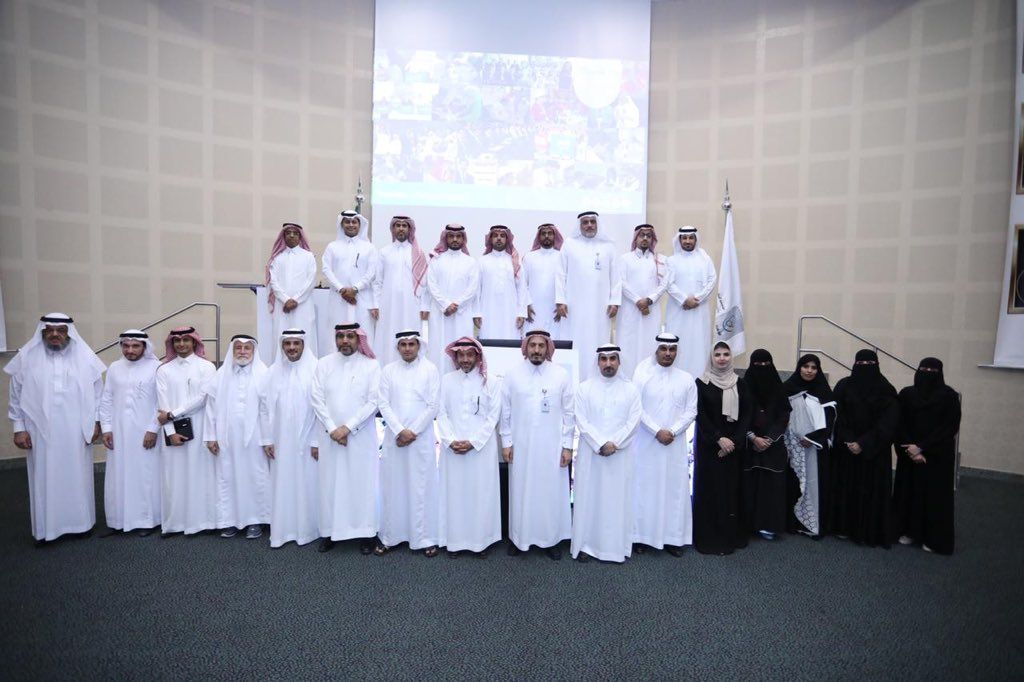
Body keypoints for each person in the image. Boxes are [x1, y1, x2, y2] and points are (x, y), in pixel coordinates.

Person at [6, 313, 105, 545]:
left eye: (60, 330)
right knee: (45, 476)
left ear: (69, 333)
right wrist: (19, 428)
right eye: (49, 330)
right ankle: (47, 529)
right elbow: (16, 396)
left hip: (76, 430)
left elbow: (98, 395)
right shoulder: (26, 358)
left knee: (78, 475)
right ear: (42, 332)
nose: (54, 334)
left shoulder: (85, 357)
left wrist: (96, 423)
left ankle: (81, 525)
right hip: (40, 430)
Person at [499, 330, 574, 560]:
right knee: (520, 492)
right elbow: (505, 411)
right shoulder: (512, 375)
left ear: (548, 348)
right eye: (533, 345)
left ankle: (550, 540)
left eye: (542, 346)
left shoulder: (561, 375)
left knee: (549, 493)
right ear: (526, 348)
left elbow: (569, 413)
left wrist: (567, 446)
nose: (537, 350)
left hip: (551, 447)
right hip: (520, 446)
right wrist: (506, 442)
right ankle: (518, 538)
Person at [309, 323, 381, 554]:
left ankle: (366, 533)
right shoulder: (323, 364)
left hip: (360, 437)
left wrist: (348, 428)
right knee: (330, 484)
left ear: (358, 339)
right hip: (330, 437)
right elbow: (316, 398)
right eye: (340, 336)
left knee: (362, 484)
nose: (345, 341)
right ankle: (329, 531)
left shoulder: (371, 365)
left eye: (350, 336)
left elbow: (373, 401)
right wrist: (333, 429)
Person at [570, 345, 642, 563]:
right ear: (598, 362)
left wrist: (615, 443)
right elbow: (581, 420)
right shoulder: (584, 388)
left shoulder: (631, 390)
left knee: (617, 501)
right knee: (589, 499)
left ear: (619, 362)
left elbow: (634, 421)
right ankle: (585, 545)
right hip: (592, 455)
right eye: (604, 359)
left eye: (612, 359)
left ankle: (615, 548)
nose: (608, 363)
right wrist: (600, 443)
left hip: (620, 456)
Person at [631, 333, 698, 556]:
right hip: (647, 443)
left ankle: (673, 539)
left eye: (672, 349)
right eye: (664, 349)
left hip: (674, 445)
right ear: (656, 350)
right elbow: (637, 408)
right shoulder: (642, 376)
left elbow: (691, 411)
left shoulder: (686, 379)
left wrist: (673, 431)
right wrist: (656, 431)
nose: (668, 353)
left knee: (674, 491)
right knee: (645, 489)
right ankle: (640, 537)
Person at [376, 330, 441, 557]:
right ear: (398, 347)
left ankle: (425, 538)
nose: (407, 348)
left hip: (420, 439)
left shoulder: (430, 369)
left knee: (421, 487)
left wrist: (412, 432)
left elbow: (433, 405)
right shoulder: (388, 371)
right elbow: (383, 403)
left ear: (418, 346)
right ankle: (390, 537)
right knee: (393, 487)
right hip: (394, 439)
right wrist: (400, 430)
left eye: (411, 344)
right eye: (403, 345)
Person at [436, 337, 502, 557]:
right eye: (461, 355)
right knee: (455, 495)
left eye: (469, 355)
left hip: (481, 450)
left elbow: (493, 416)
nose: (465, 359)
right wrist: (450, 440)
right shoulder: (446, 380)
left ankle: (481, 543)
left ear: (477, 356)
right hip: (453, 449)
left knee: (480, 495)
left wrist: (474, 442)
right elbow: (441, 413)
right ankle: (454, 542)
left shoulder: (491, 382)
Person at [830, 349, 899, 548]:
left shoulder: (886, 389)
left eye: (869, 364)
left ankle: (868, 531)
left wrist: (863, 443)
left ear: (876, 365)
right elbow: (837, 414)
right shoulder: (844, 386)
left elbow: (889, 422)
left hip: (874, 452)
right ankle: (843, 527)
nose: (865, 368)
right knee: (846, 488)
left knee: (870, 492)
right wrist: (849, 439)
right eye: (861, 364)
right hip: (846, 448)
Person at [891, 357, 961, 555]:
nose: (928, 373)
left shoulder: (949, 396)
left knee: (934, 498)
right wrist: (910, 449)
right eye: (924, 369)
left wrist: (922, 447)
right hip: (909, 454)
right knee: (909, 494)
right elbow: (899, 423)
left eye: (932, 370)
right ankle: (908, 531)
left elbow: (949, 427)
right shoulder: (907, 394)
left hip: (936, 457)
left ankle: (932, 538)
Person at [204, 334, 270, 539]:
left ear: (254, 351)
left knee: (255, 476)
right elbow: (210, 408)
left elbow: (268, 411)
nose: (242, 352)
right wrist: (210, 436)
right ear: (232, 351)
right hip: (227, 436)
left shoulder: (264, 374)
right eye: (238, 348)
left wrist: (268, 439)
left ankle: (255, 520)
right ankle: (229, 521)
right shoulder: (221, 375)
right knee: (227, 476)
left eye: (247, 348)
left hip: (255, 437)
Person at [259, 329, 320, 549]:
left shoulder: (316, 369)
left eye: (296, 343)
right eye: (287, 344)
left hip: (308, 440)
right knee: (283, 482)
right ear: (282, 346)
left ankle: (310, 530)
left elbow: (322, 409)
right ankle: (284, 531)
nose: (292, 348)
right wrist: (267, 439)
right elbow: (264, 408)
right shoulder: (273, 372)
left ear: (304, 345)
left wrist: (317, 441)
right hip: (281, 440)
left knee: (308, 482)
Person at [155, 326, 218, 536]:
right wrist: (170, 431)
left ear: (194, 342)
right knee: (174, 477)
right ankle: (175, 523)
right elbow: (161, 406)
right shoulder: (164, 370)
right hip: (173, 431)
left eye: (186, 340)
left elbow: (203, 398)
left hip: (200, 426)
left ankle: (204, 522)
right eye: (177, 341)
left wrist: (173, 414)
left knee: (201, 474)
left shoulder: (207, 367)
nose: (181, 344)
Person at [99, 330, 161, 537]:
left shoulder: (156, 367)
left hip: (145, 433)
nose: (130, 350)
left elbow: (161, 402)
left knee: (144, 476)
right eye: (126, 346)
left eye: (135, 346)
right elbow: (107, 399)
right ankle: (118, 521)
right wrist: (107, 428)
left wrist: (153, 429)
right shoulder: (115, 368)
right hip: (118, 433)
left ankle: (146, 521)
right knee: (118, 475)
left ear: (145, 347)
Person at [693, 341, 751, 555]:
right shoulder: (701, 383)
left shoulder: (740, 383)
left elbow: (747, 414)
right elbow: (700, 414)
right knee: (710, 492)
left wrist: (733, 441)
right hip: (710, 447)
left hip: (733, 449)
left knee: (731, 492)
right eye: (717, 354)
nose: (722, 358)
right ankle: (710, 540)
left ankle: (729, 538)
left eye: (726, 354)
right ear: (711, 357)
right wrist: (719, 439)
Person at [781, 354, 837, 539]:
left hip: (815, 447)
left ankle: (812, 524)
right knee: (793, 484)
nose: (809, 371)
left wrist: (812, 438)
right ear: (799, 368)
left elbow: (829, 421)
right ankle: (792, 523)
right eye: (806, 366)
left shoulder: (824, 392)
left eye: (814, 367)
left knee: (815, 484)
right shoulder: (787, 388)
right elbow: (780, 415)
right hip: (792, 445)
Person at [560, 211, 620, 378]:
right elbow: (560, 274)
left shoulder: (608, 246)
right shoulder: (569, 244)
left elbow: (616, 277)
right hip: (574, 306)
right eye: (585, 222)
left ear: (597, 224)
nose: (589, 225)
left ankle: (597, 378)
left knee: (598, 340)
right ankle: (575, 378)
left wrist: (615, 301)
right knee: (576, 340)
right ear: (579, 225)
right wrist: (560, 300)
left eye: (592, 222)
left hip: (600, 307)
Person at [741, 349, 791, 541]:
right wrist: (753, 437)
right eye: (758, 365)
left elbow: (784, 415)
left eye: (766, 364)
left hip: (773, 446)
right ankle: (748, 525)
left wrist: (769, 439)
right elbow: (740, 414)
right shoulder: (744, 387)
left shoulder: (779, 388)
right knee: (750, 484)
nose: (762, 368)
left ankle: (768, 525)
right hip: (750, 445)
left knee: (771, 487)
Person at [321, 210, 379, 350]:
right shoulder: (332, 247)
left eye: (354, 222)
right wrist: (342, 289)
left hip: (362, 298)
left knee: (363, 331)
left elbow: (372, 272)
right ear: (342, 224)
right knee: (338, 330)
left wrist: (355, 289)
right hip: (338, 298)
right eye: (347, 222)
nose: (351, 225)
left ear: (360, 225)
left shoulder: (369, 248)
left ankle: (364, 360)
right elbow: (326, 270)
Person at [373, 216, 428, 365]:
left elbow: (424, 284)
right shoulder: (384, 252)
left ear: (410, 229)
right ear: (393, 229)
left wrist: (424, 306)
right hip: (388, 304)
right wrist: (375, 305)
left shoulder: (418, 253)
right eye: (398, 225)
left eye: (404, 226)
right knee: (387, 334)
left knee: (410, 334)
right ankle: (386, 366)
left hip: (412, 304)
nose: (401, 228)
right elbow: (378, 281)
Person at [423, 224, 479, 368]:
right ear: (445, 238)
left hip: (462, 314)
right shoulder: (436, 260)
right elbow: (431, 284)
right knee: (438, 348)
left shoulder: (471, 262)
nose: (455, 239)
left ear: (463, 239)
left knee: (462, 347)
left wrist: (457, 304)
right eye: (451, 236)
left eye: (458, 236)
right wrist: (446, 304)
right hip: (440, 313)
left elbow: (472, 288)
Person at [664, 226, 716, 380]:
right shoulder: (671, 261)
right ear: (679, 240)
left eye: (691, 238)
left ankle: (699, 379)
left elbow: (712, 280)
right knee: (679, 341)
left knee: (699, 343)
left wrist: (697, 299)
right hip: (678, 311)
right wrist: (684, 299)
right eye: (684, 238)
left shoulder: (705, 259)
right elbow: (668, 283)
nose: (687, 241)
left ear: (695, 239)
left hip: (699, 311)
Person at [615, 224, 667, 377]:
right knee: (628, 344)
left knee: (649, 343)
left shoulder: (659, 260)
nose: (645, 238)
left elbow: (665, 283)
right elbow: (621, 282)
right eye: (642, 235)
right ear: (635, 238)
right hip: (630, 310)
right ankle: (627, 378)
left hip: (651, 310)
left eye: (648, 236)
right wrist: (638, 300)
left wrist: (650, 300)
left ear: (652, 239)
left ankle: (648, 378)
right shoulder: (625, 259)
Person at [265, 222, 318, 360]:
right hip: (282, 306)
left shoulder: (308, 256)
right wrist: (285, 300)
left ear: (300, 236)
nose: (292, 236)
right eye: (288, 233)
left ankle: (308, 368)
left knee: (305, 334)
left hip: (303, 306)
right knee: (281, 335)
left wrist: (296, 300)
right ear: (283, 236)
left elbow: (311, 280)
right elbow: (273, 281)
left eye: (295, 233)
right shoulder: (277, 258)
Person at [474, 225, 527, 339]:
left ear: (507, 239)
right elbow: (477, 290)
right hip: (487, 311)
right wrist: (476, 313)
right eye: (495, 236)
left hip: (511, 312)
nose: (499, 238)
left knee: (510, 340)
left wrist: (521, 313)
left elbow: (522, 288)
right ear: (490, 239)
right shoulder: (482, 261)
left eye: (502, 236)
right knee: (488, 339)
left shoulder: (515, 262)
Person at [521, 223, 567, 340]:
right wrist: (526, 305)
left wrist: (562, 303)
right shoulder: (529, 257)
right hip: (533, 309)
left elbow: (567, 283)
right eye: (543, 234)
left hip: (555, 309)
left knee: (556, 341)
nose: (547, 236)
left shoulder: (562, 257)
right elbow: (522, 283)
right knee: (532, 340)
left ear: (554, 236)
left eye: (550, 233)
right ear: (539, 236)